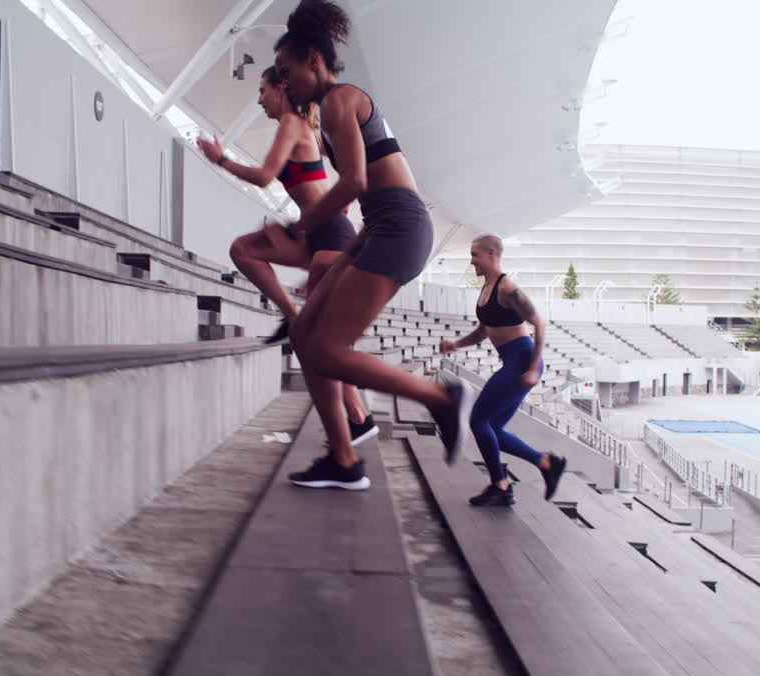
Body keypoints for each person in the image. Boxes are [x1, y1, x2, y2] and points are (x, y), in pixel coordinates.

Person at [265, 0, 471, 490]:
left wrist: (301, 226)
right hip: (377, 228)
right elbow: (364, 187)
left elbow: (355, 181)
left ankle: (441, 398)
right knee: (304, 336)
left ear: (315, 60)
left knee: (329, 349)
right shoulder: (323, 112)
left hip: (399, 226)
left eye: (287, 72)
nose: (284, 82)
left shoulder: (341, 99)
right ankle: (343, 459)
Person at [198, 67, 377, 447]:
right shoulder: (302, 128)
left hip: (329, 234)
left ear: (281, 88)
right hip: (316, 232)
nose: (259, 99)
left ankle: (359, 418)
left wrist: (220, 159)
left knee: (321, 343)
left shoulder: (292, 124)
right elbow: (320, 189)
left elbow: (265, 177)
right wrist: (299, 225)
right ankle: (292, 317)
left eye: (262, 90)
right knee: (242, 250)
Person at [439, 234, 566, 506]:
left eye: (475, 254)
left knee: (477, 421)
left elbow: (539, 324)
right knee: (493, 428)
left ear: (492, 253)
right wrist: (456, 344)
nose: (471, 260)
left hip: (522, 360)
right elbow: (485, 330)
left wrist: (533, 368)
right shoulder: (486, 289)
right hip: (511, 361)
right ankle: (545, 463)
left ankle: (501, 484)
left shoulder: (507, 288)